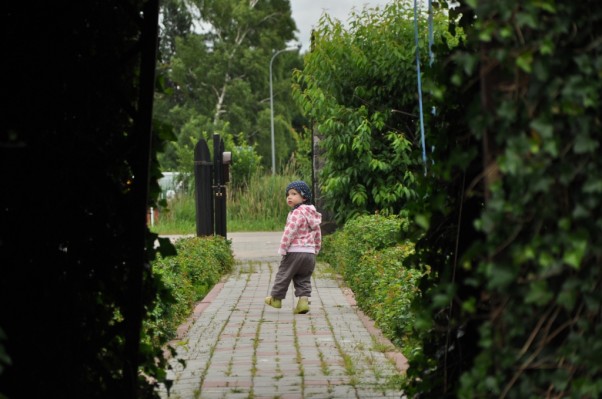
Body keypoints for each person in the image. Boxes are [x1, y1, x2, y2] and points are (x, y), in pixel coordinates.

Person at [265, 180, 322, 314]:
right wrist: (316, 248)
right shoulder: (312, 213)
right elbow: (317, 232)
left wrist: (283, 247)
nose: (289, 197)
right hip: (309, 253)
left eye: (294, 194)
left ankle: (276, 299)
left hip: (294, 251)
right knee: (303, 277)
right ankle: (303, 302)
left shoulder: (297, 213)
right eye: (288, 194)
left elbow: (290, 231)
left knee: (284, 274)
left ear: (304, 197)